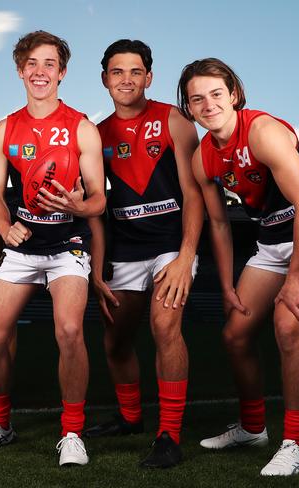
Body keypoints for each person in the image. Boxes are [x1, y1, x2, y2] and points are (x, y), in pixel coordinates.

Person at [177, 58, 299, 476]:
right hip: (271, 239)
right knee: (235, 334)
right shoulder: (203, 158)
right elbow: (218, 222)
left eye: (216, 94)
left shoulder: (263, 132)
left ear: (233, 94)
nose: (208, 104)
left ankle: (298, 444)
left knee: (288, 327)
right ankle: (253, 428)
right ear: (190, 108)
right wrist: (226, 284)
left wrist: (294, 280)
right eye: (197, 98)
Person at [0, 30, 105, 466]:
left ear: (61, 73)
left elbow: (99, 199)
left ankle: (73, 432)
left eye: (49, 64)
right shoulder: (5, 127)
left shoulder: (81, 127)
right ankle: (0, 424)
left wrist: (80, 204)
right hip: (23, 245)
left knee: (68, 330)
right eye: (32, 64)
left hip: (68, 243)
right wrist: (5, 228)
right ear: (21, 70)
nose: (40, 72)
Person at [84, 40, 202, 468]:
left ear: (149, 77)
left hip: (170, 247)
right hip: (125, 251)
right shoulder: (95, 135)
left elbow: (195, 196)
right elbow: (95, 208)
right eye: (118, 72)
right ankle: (131, 418)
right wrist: (97, 269)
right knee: (115, 341)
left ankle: (169, 434)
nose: (127, 79)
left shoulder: (174, 120)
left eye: (136, 72)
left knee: (164, 326)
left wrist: (186, 257)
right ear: (104, 80)